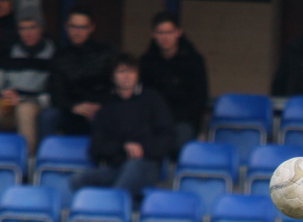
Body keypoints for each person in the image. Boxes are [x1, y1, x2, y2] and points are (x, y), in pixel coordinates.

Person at [70, 53, 174, 199]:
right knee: (78, 179)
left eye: (131, 71)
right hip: (116, 168)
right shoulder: (106, 105)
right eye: (121, 71)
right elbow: (97, 148)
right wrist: (123, 147)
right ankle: (125, 203)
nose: (127, 76)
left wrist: (142, 149)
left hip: (147, 165)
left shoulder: (153, 100)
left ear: (138, 75)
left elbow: (167, 137)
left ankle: (116, 206)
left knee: (131, 170)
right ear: (113, 77)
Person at [0, 9, 55, 154]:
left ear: (41, 28)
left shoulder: (53, 54)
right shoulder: (10, 53)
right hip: (9, 106)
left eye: (32, 28)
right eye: (22, 29)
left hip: (36, 108)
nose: (27, 33)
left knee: (25, 109)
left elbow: (52, 96)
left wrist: (22, 99)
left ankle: (26, 161)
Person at [39, 5, 114, 140]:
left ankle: (105, 154)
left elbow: (115, 86)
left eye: (83, 27)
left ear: (92, 28)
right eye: (73, 27)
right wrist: (73, 106)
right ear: (66, 27)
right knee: (48, 116)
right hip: (70, 110)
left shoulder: (106, 52)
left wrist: (100, 105)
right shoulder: (59, 56)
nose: (77, 32)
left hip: (100, 108)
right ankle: (48, 153)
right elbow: (55, 91)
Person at [139, 11, 208, 154]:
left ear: (178, 33)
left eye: (169, 32)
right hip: (154, 121)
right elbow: (143, 95)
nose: (165, 37)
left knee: (174, 142)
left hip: (184, 121)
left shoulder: (193, 60)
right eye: (160, 32)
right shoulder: (146, 62)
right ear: (153, 34)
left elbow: (200, 98)